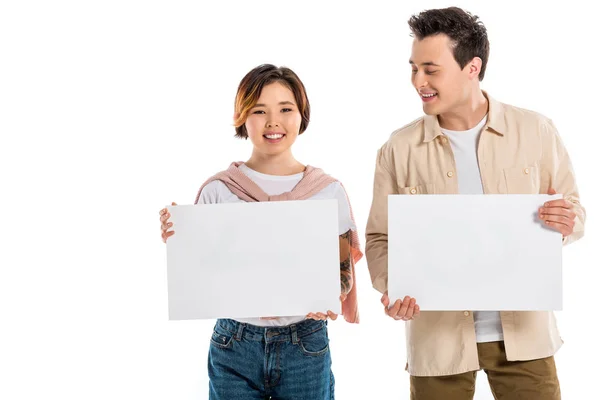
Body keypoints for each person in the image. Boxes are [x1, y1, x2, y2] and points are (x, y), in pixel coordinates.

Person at [365, 7, 585, 400]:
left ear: (472, 67)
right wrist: (393, 286)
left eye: (431, 70)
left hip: (525, 338)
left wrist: (567, 222)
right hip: (437, 341)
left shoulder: (535, 130)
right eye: (413, 68)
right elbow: (380, 238)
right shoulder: (398, 149)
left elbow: (574, 212)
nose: (419, 81)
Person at [159, 64, 362, 400]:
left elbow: (343, 273)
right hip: (234, 343)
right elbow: (200, 269)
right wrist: (178, 238)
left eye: (286, 109)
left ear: (302, 115)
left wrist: (330, 296)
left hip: (305, 342)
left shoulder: (327, 191)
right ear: (242, 117)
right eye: (259, 110)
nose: (273, 122)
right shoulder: (219, 190)